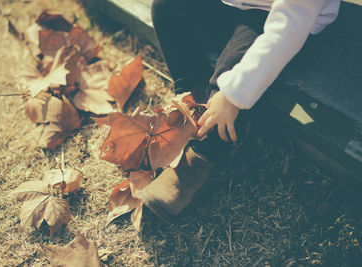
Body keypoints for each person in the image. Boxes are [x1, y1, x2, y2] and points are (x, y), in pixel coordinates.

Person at [139, 0, 342, 222]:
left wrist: (231, 95)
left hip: (277, 20)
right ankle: (192, 108)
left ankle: (202, 155)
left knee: (239, 64)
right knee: (167, 7)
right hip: (232, 5)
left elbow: (287, 28)